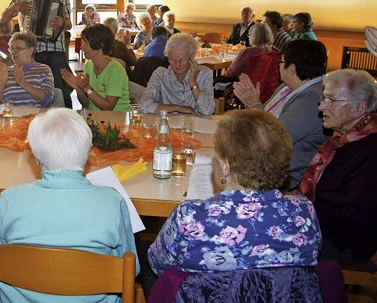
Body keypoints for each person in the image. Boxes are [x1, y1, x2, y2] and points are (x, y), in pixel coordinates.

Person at [144, 109, 321, 297]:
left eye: (216, 152)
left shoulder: (190, 216)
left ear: (226, 166)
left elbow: (158, 264)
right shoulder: (305, 213)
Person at [0, 108, 139, 302]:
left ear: (36, 157)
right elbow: (131, 268)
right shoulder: (112, 203)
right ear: (89, 152)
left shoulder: (9, 200)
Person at [299, 69, 377, 264]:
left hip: (343, 244)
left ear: (360, 108)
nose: (322, 107)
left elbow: (352, 219)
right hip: (323, 227)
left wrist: (302, 210)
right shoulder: (344, 142)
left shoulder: (371, 150)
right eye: (323, 99)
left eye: (331, 100)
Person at [233, 39, 330, 190]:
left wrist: (254, 105)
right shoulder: (287, 88)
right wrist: (254, 104)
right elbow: (267, 118)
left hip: (284, 179)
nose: (278, 66)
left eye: (281, 62)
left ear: (291, 69)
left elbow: (273, 140)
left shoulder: (310, 100)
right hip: (266, 163)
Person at [0, 0, 73, 108]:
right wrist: (16, 6)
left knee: (62, 87)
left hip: (54, 50)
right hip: (29, 52)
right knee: (28, 85)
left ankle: (66, 117)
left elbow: (69, 24)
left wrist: (61, 23)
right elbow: (3, 19)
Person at [140, 33, 215, 115]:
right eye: (173, 60)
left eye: (182, 60)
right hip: (168, 125)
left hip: (197, 126)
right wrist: (178, 108)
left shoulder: (204, 74)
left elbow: (208, 110)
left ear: (192, 59)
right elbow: (144, 105)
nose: (177, 65)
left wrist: (193, 82)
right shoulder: (161, 74)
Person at [61, 24, 130, 111]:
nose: (81, 46)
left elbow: (108, 107)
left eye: (85, 42)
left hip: (116, 120)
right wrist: (78, 88)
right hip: (95, 117)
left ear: (100, 45)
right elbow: (86, 103)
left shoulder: (115, 70)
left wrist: (87, 88)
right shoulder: (89, 66)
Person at [0, 32, 54, 107]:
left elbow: (47, 101)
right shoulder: (5, 71)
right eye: (11, 48)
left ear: (30, 50)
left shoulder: (44, 70)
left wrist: (23, 83)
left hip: (35, 117)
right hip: (11, 116)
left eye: (18, 48)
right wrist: (2, 83)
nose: (13, 52)